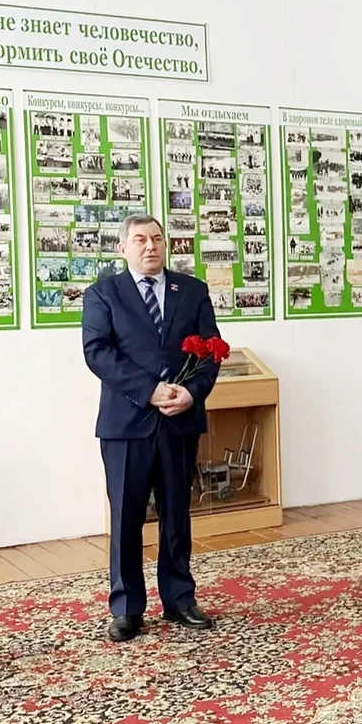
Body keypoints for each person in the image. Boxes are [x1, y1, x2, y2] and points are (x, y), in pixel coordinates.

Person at [82, 214, 220, 643]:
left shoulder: (192, 290)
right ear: (122, 248)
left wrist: (191, 393)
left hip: (180, 421)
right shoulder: (103, 294)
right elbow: (97, 352)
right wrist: (150, 391)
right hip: (127, 424)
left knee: (176, 514)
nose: (150, 246)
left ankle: (179, 599)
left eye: (157, 238)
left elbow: (212, 350)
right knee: (126, 517)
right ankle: (126, 608)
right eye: (140, 239)